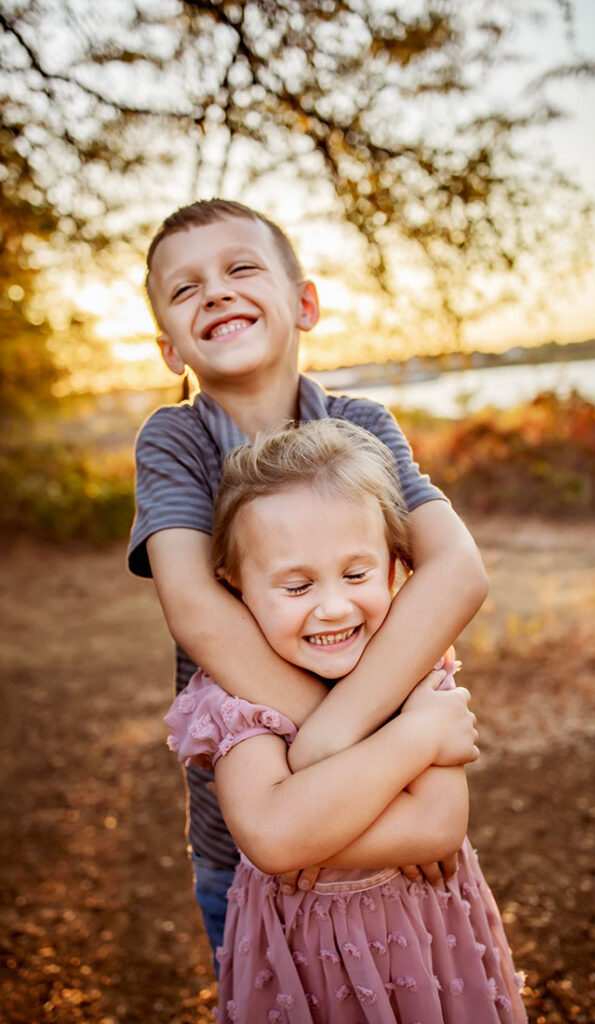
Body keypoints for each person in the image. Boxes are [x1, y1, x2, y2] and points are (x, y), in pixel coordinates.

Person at [128, 198, 489, 965]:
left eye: (240, 268)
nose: (216, 292)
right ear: (168, 346)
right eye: (185, 288)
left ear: (305, 303)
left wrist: (342, 744)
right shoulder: (177, 439)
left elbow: (456, 567)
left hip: (400, 818)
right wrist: (349, 743)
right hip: (256, 841)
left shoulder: (363, 425)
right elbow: (196, 608)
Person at [165, 419, 526, 1023]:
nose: (333, 606)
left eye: (357, 575)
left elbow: (437, 826)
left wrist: (307, 814)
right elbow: (272, 838)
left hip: (429, 943)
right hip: (303, 970)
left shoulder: (411, 662)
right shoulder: (234, 699)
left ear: (393, 568)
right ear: (235, 588)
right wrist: (414, 737)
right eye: (297, 585)